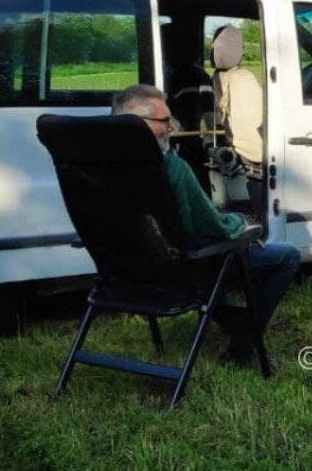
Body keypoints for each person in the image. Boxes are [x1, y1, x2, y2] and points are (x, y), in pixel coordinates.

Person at [111, 83, 299, 367]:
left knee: (219, 266)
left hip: (127, 274)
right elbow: (212, 227)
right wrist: (242, 224)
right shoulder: (171, 168)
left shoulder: (103, 168)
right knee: (286, 256)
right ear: (138, 124)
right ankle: (243, 342)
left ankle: (235, 322)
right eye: (164, 121)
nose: (171, 128)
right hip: (184, 271)